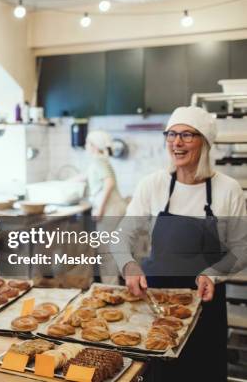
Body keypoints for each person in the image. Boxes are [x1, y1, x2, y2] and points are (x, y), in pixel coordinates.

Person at [114, 106, 247, 381]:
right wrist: (128, 265)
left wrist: (214, 273)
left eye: (187, 135)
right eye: (172, 134)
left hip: (206, 306)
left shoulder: (227, 189)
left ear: (205, 143)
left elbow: (242, 247)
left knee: (202, 372)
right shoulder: (153, 185)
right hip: (155, 303)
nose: (177, 142)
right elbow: (121, 235)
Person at [85, 131, 126, 284]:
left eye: (87, 143)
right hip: (117, 208)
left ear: (94, 146)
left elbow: (109, 183)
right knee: (115, 250)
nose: (85, 146)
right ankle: (119, 288)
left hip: (110, 211)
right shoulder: (101, 160)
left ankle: (111, 290)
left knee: (106, 253)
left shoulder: (98, 162)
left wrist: (100, 209)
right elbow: (86, 176)